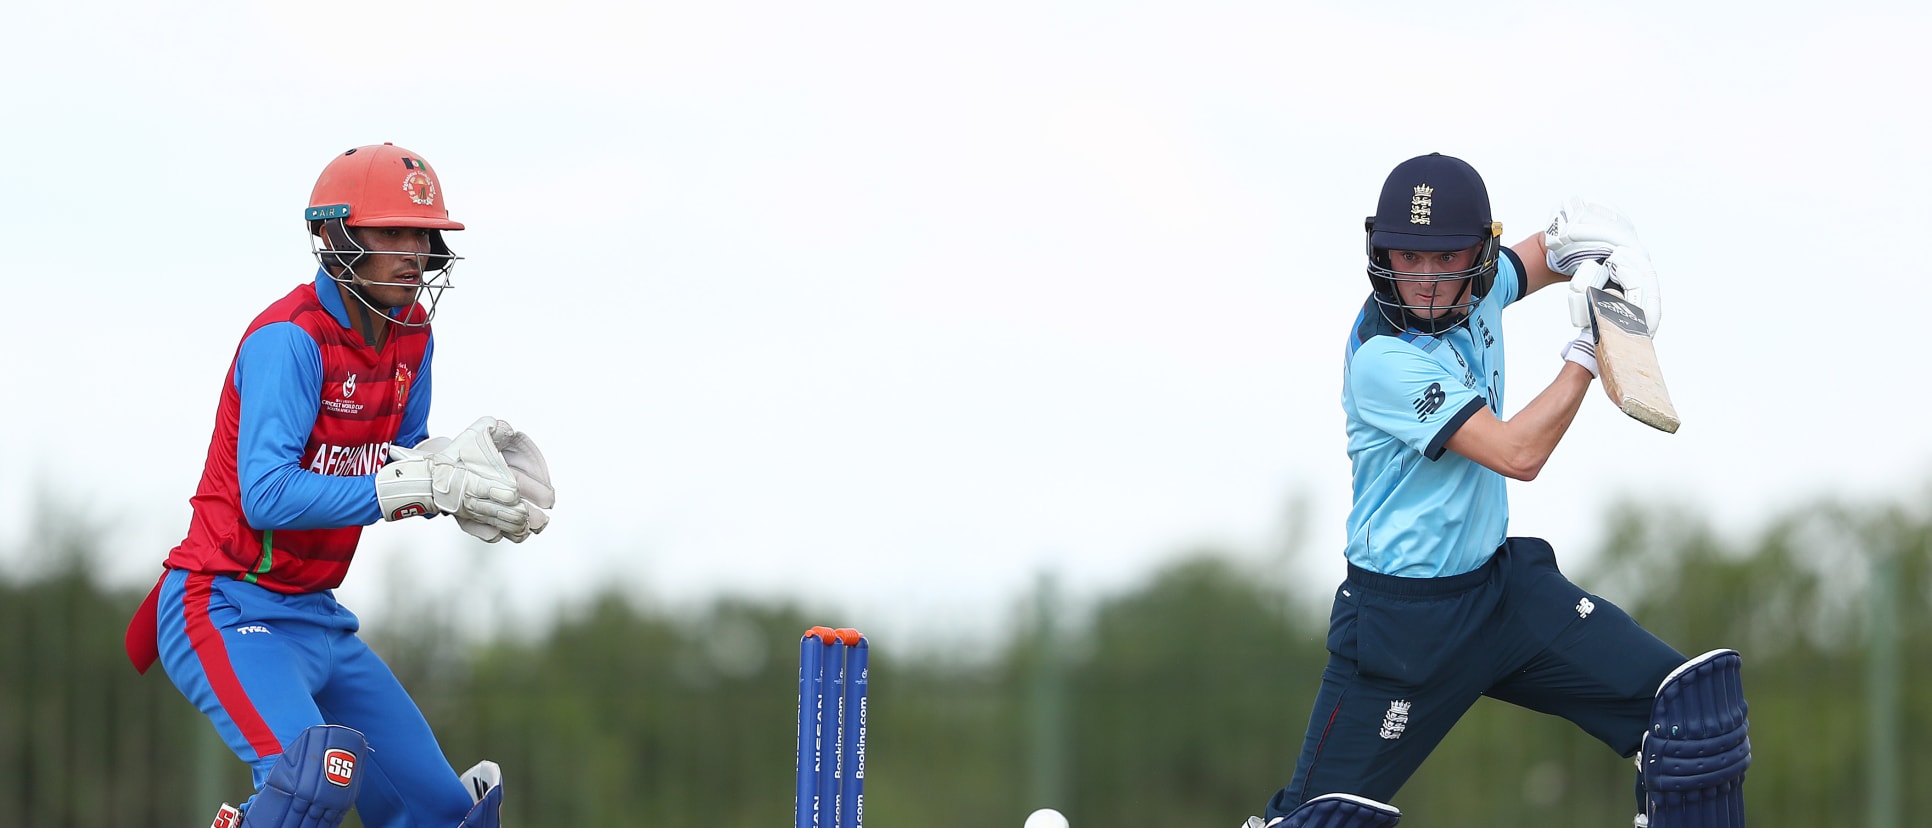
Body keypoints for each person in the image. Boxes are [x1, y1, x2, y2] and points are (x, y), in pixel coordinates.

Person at [1245, 154, 1749, 828]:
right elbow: (1518, 453)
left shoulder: (1480, 286)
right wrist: (1592, 348)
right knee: (1316, 822)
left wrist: (1606, 250)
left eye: (1445, 258)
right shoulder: (1382, 359)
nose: (1424, 280)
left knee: (1691, 716)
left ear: (1478, 254)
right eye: (1407, 256)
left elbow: (1544, 253)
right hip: (1403, 627)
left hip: (1500, 594)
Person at [122, 143, 557, 828]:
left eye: (420, 232)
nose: (412, 250)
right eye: (389, 231)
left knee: (445, 812)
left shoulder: (413, 334)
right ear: (331, 236)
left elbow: (395, 459)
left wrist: (457, 475)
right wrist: (403, 486)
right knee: (308, 782)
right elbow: (266, 495)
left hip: (319, 615)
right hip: (228, 604)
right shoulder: (289, 339)